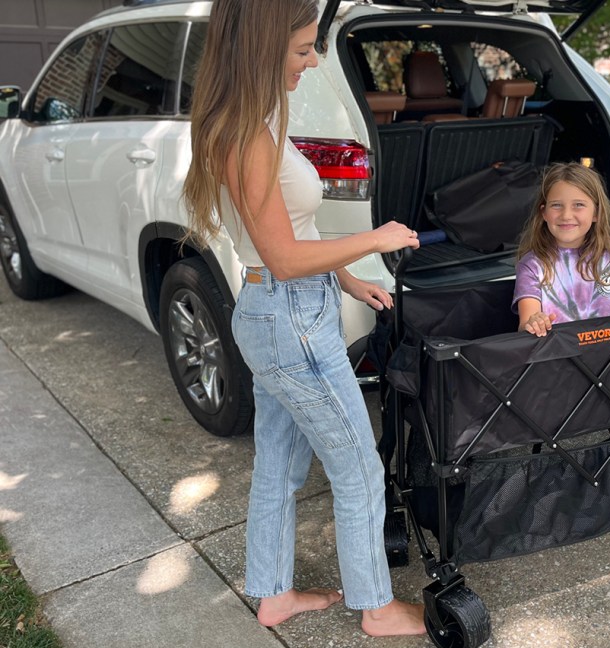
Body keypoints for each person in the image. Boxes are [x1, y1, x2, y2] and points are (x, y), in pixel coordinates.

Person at [181, 0, 425, 636]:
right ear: (260, 49)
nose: (314, 60)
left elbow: (292, 231)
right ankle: (375, 607)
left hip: (279, 313)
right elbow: (285, 258)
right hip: (290, 321)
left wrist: (349, 278)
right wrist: (376, 241)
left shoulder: (255, 119)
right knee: (360, 471)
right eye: (302, 49)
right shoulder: (244, 134)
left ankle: (273, 595)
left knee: (278, 467)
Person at [513, 162, 610, 336]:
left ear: (596, 213)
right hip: (556, 358)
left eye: (578, 205)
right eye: (556, 205)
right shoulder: (532, 264)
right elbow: (526, 322)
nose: (566, 215)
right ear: (544, 213)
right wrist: (534, 323)